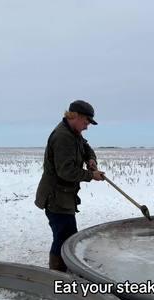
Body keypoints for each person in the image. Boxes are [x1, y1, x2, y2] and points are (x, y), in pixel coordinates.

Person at [35, 100, 105, 272]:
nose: (86, 126)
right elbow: (65, 171)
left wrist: (91, 160)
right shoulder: (63, 137)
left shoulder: (73, 133)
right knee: (63, 237)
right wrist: (91, 175)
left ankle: (63, 271)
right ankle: (57, 276)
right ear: (76, 116)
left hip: (64, 196)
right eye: (86, 122)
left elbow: (86, 148)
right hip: (55, 198)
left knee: (67, 235)